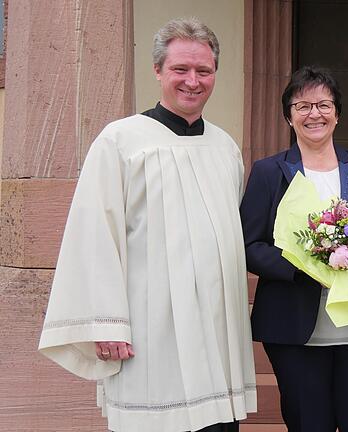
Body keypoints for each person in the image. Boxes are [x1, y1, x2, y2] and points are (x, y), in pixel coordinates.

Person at [38, 18, 257, 432]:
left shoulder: (225, 147)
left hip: (215, 329)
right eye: (180, 69)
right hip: (149, 327)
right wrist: (105, 321)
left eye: (203, 71)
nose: (193, 81)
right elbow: (93, 237)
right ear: (158, 71)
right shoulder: (120, 141)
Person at [240, 66, 348, 431]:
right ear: (289, 116)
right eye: (303, 106)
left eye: (324, 105)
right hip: (295, 328)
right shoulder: (268, 172)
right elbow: (249, 244)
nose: (315, 114)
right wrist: (300, 264)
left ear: (337, 113)